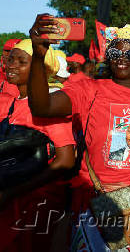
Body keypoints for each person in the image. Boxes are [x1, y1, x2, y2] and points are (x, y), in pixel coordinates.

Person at [26, 15, 130, 250]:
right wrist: (38, 57)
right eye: (115, 52)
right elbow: (42, 106)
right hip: (95, 207)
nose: (121, 58)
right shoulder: (88, 90)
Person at [0, 39, 75, 251]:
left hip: (35, 204)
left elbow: (66, 160)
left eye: (20, 61)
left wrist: (12, 192)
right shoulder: (11, 103)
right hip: (10, 201)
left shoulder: (50, 106)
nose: (11, 65)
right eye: (11, 59)